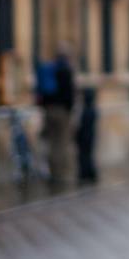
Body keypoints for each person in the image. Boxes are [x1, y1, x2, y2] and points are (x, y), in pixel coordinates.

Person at [35, 47, 76, 185]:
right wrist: (69, 110)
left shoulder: (50, 70)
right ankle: (59, 174)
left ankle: (51, 172)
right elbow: (69, 95)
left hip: (48, 110)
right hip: (62, 111)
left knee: (51, 142)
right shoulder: (66, 71)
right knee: (61, 142)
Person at [76, 87, 98, 184]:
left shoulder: (87, 110)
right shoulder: (92, 109)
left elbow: (82, 125)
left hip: (85, 136)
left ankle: (86, 173)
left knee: (85, 156)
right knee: (87, 155)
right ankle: (89, 173)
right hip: (89, 136)